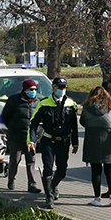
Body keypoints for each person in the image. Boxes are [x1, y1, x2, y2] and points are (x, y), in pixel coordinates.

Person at [30, 76, 79, 207]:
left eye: (64, 87)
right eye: (59, 87)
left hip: (64, 142)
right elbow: (33, 123)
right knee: (48, 169)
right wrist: (31, 141)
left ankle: (52, 186)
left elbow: (74, 125)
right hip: (48, 141)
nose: (62, 90)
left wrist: (75, 143)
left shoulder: (71, 104)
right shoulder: (44, 103)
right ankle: (49, 197)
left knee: (62, 170)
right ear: (53, 88)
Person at [80, 85, 111, 207]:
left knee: (96, 170)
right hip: (110, 141)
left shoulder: (86, 106)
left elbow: (82, 122)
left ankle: (97, 198)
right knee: (110, 170)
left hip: (92, 141)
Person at [1, 78, 42, 193]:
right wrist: (13, 128)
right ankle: (11, 179)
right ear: (24, 90)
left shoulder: (38, 102)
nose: (33, 91)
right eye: (30, 89)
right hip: (16, 136)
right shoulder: (14, 100)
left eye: (35, 89)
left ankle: (32, 185)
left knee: (31, 161)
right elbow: (5, 116)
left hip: (31, 137)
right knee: (15, 160)